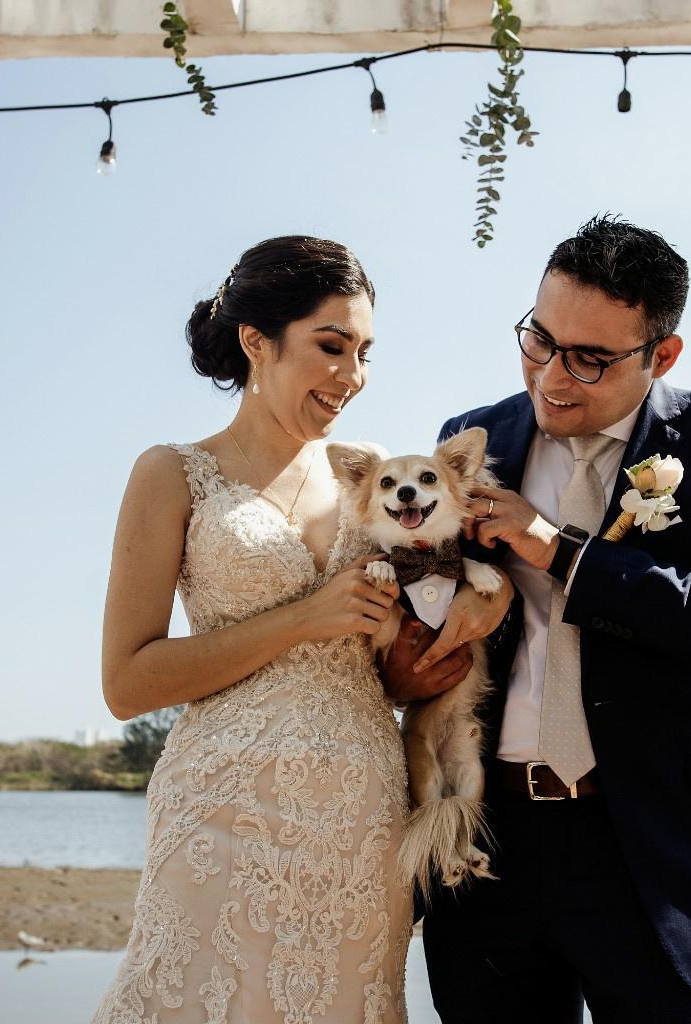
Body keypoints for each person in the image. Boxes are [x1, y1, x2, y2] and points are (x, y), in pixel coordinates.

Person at [91, 235, 511, 1024]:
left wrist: (452, 638)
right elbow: (127, 682)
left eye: (365, 353)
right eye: (331, 346)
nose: (352, 375)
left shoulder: (379, 470)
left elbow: (407, 642)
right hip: (221, 809)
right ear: (257, 341)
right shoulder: (171, 472)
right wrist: (303, 618)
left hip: (362, 816)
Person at [407, 216, 691, 1023]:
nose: (551, 377)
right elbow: (429, 612)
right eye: (538, 340)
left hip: (660, 861)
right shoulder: (468, 440)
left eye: (589, 359)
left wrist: (557, 549)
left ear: (662, 356)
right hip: (490, 849)